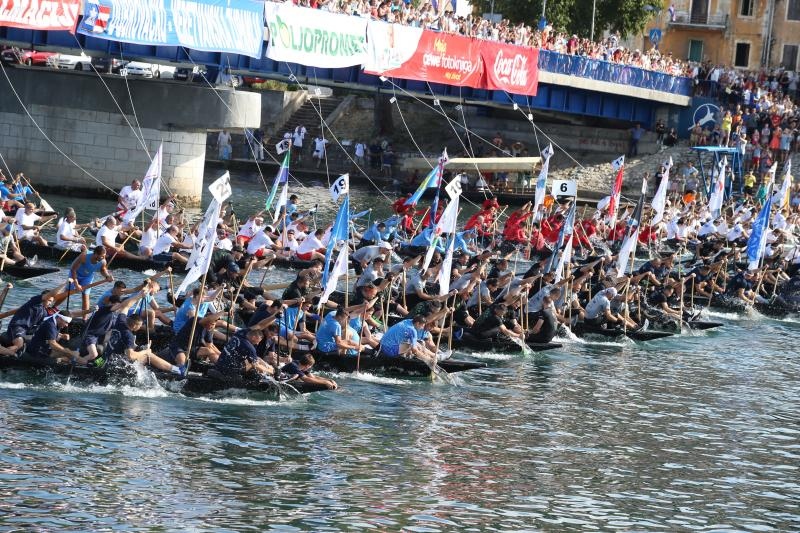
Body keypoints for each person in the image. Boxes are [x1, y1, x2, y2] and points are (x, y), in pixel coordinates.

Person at [105, 314, 186, 375]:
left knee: (143, 353)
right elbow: (131, 355)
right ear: (134, 326)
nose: (140, 328)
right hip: (117, 364)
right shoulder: (129, 336)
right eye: (139, 326)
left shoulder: (120, 323)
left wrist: (140, 295)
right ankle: (177, 370)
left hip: (108, 358)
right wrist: (145, 351)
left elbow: (125, 306)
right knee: (148, 355)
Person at [69, 245, 113, 312]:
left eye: (105, 255)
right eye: (102, 256)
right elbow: (73, 270)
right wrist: (76, 284)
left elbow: (103, 270)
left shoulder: (103, 261)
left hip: (87, 277)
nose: (104, 258)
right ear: (95, 254)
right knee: (67, 292)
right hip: (75, 274)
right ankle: (53, 307)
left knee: (85, 295)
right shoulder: (84, 256)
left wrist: (107, 276)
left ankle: (84, 318)